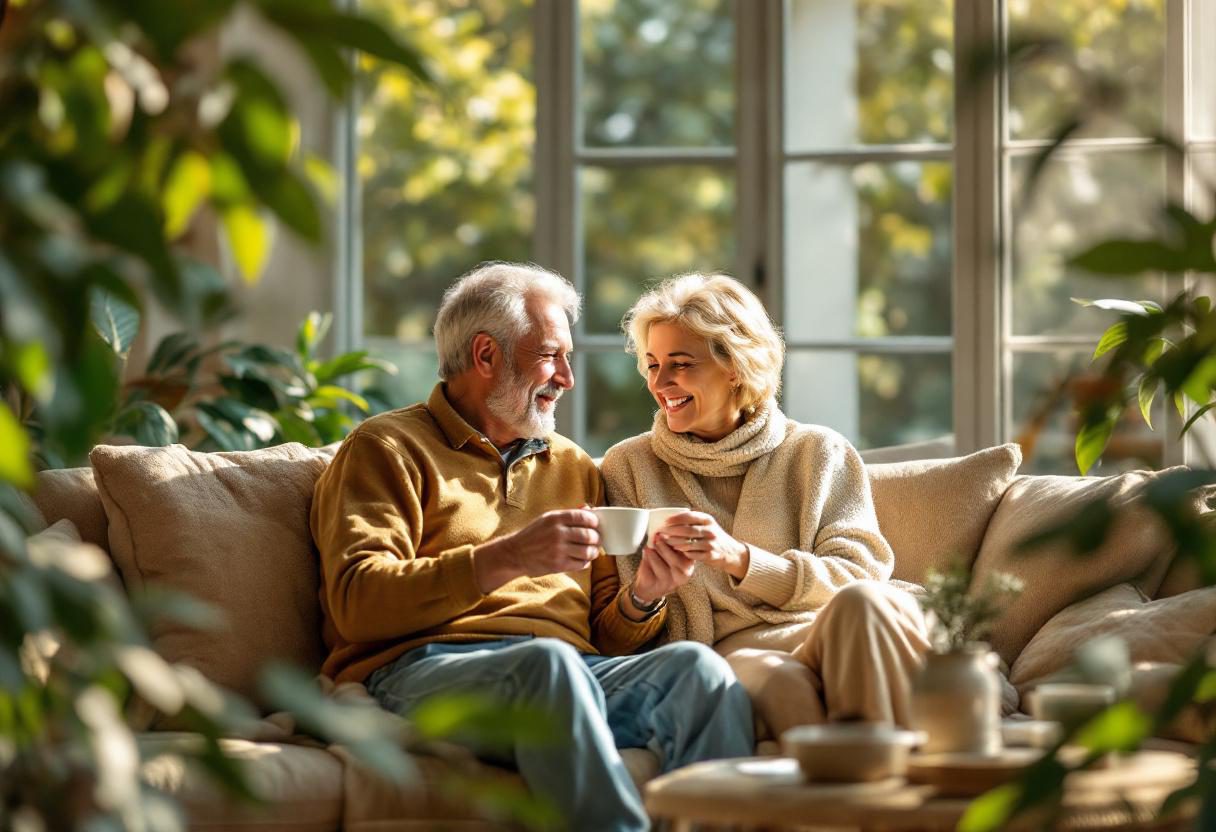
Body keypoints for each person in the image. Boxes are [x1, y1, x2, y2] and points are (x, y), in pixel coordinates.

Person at [310, 262, 754, 832]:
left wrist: (643, 596)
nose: (567, 377)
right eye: (550, 355)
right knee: (548, 667)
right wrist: (508, 557)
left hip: (571, 673)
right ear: (485, 355)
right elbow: (357, 603)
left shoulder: (572, 464)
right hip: (421, 672)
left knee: (698, 673)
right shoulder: (387, 448)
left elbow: (602, 638)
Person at [601, 273, 931, 739]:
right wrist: (644, 595)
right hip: (731, 651)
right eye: (652, 365)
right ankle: (857, 778)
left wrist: (740, 559)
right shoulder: (630, 466)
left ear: (735, 366)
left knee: (864, 603)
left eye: (681, 364)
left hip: (830, 628)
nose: (660, 382)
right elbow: (617, 634)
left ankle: (889, 773)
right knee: (779, 681)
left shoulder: (818, 452)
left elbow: (861, 573)